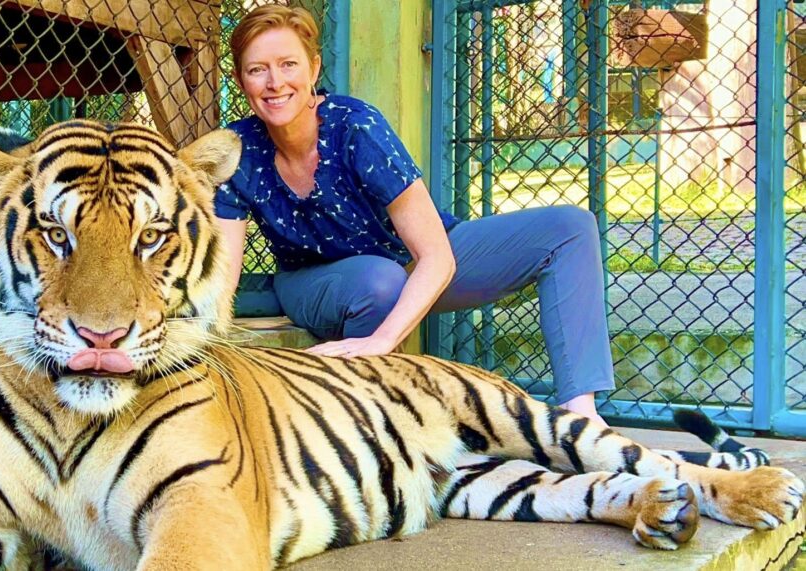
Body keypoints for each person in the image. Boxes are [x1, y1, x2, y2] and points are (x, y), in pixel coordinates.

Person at [214, 5, 615, 425]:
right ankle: (372, 419)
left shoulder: (355, 126)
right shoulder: (239, 149)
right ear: (240, 80)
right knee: (379, 280)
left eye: (288, 64)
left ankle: (581, 412)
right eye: (257, 70)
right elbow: (224, 276)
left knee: (569, 228)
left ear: (313, 68)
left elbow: (437, 256)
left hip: (410, 263)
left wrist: (383, 338)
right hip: (317, 282)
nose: (275, 82)